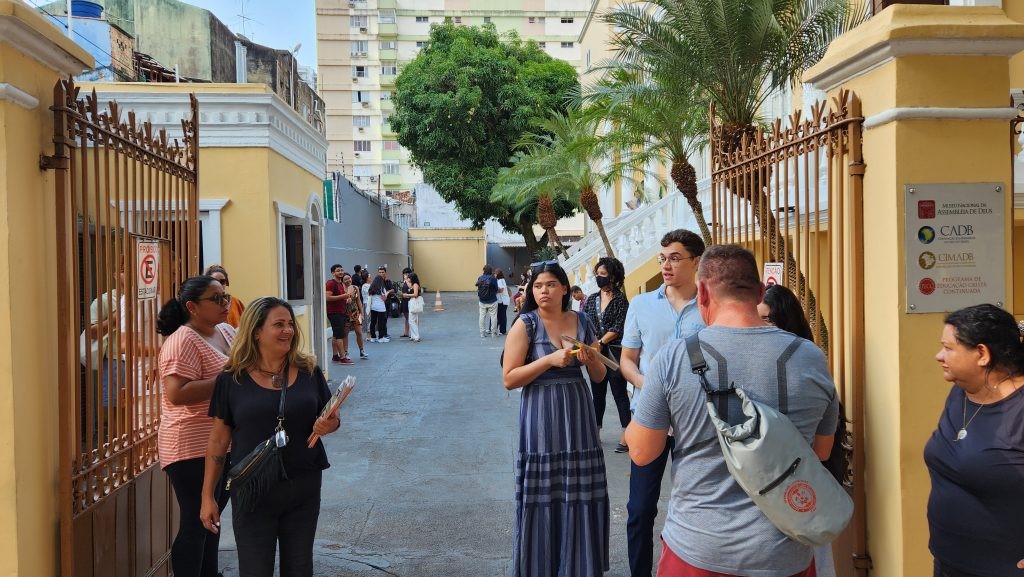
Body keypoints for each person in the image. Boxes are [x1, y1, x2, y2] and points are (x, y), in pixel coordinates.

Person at [625, 244, 838, 577]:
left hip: (698, 548)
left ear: (703, 293)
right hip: (785, 553)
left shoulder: (675, 357)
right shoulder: (811, 357)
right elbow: (822, 451)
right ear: (761, 291)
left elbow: (640, 452)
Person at [200, 297, 341, 577]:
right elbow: (218, 440)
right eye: (278, 324)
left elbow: (332, 417)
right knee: (254, 569)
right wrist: (208, 496)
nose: (288, 330)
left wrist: (331, 424)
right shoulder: (232, 378)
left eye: (290, 324)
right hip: (252, 492)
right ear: (256, 331)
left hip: (303, 487)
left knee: (300, 568)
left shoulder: (308, 371)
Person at [502, 260, 610, 577]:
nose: (544, 290)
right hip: (540, 416)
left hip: (578, 414)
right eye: (538, 286)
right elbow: (509, 378)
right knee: (544, 488)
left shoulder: (582, 320)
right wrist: (550, 359)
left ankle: (580, 566)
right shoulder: (526, 324)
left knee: (580, 490)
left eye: (550, 284)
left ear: (564, 288)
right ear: (531, 291)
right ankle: (541, 566)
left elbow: (601, 375)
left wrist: (590, 359)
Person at [619, 229, 706, 577]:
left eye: (674, 257)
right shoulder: (641, 304)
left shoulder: (709, 307)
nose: (666, 265)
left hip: (697, 421)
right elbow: (627, 359)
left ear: (696, 261)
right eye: (663, 258)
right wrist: (650, 385)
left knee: (698, 505)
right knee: (640, 508)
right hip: (649, 418)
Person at [925, 304, 1024, 577]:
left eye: (948, 348)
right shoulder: (961, 394)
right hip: (948, 561)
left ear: (982, 354)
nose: (939, 356)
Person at [156, 275, 235, 577]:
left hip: (220, 441)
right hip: (189, 445)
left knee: (211, 519)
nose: (224, 303)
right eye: (216, 299)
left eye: (225, 296)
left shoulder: (225, 331)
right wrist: (226, 380)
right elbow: (176, 393)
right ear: (192, 306)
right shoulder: (182, 340)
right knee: (196, 519)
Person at [758, 283, 838, 577]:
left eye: (765, 319)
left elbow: (823, 450)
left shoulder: (810, 363)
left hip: (800, 491)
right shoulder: (812, 359)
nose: (758, 326)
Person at [583, 257, 632, 453]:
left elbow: (619, 326)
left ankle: (627, 434)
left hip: (615, 353)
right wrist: (594, 343)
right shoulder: (592, 298)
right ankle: (595, 431)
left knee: (620, 394)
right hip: (595, 353)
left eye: (603, 275)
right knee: (597, 394)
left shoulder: (621, 300)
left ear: (613, 277)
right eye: (597, 274)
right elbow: (586, 322)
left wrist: (602, 342)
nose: (599, 278)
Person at [326, 264, 353, 365]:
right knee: (339, 336)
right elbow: (327, 297)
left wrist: (347, 298)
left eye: (341, 270)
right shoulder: (330, 283)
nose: (340, 272)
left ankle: (335, 356)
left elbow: (342, 297)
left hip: (341, 312)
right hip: (334, 312)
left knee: (335, 335)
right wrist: (343, 296)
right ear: (333, 273)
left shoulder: (340, 284)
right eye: (338, 271)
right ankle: (343, 357)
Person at [342, 273, 368, 359]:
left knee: (359, 333)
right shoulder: (341, 289)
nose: (348, 280)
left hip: (356, 313)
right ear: (342, 281)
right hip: (345, 314)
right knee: (345, 333)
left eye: (349, 278)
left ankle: (362, 351)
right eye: (345, 279)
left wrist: (362, 313)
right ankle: (345, 352)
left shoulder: (355, 288)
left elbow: (359, 301)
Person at [368, 266, 394, 343]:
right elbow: (384, 298)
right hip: (381, 308)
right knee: (381, 322)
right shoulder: (382, 288)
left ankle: (373, 337)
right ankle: (381, 337)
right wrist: (386, 294)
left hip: (373, 307)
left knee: (373, 322)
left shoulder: (371, 288)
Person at [477, 264, 499, 338]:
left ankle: (482, 333)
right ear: (491, 271)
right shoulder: (493, 279)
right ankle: (493, 333)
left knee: (482, 317)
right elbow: (496, 289)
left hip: (482, 301)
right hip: (492, 300)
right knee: (493, 317)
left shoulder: (480, 278)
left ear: (483, 270)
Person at [401, 272, 423, 342]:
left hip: (414, 302)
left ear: (412, 278)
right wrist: (406, 280)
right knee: (413, 320)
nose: (408, 279)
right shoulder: (414, 284)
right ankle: (413, 336)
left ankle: (416, 336)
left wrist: (407, 295)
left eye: (409, 277)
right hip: (412, 302)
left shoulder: (415, 285)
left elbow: (415, 294)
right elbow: (410, 287)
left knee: (411, 320)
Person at [495, 268, 510, 335]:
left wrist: (494, 291)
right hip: (502, 300)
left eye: (495, 273)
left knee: (502, 315)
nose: (494, 274)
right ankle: (501, 330)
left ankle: (502, 330)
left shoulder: (500, 280)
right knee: (501, 315)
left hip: (503, 301)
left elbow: (501, 290)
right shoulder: (500, 280)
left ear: (498, 274)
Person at [399, 267, 413, 338]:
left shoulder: (411, 281)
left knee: (410, 317)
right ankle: (406, 332)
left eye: (407, 274)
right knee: (406, 318)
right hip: (404, 300)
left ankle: (413, 333)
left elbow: (411, 288)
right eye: (404, 274)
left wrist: (406, 280)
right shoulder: (404, 281)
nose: (405, 275)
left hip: (409, 300)